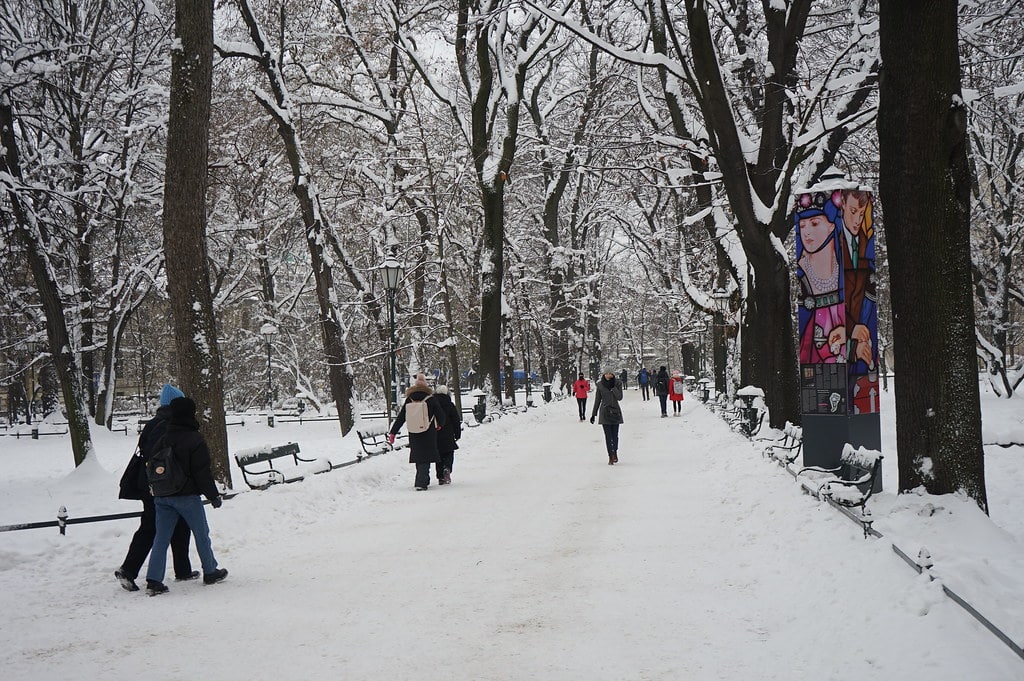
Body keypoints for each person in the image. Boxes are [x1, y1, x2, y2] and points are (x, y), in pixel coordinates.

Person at [114, 383, 195, 592]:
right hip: (159, 485)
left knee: (178, 523)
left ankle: (183, 569)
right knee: (151, 526)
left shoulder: (155, 423)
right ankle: (128, 570)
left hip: (150, 483)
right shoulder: (168, 425)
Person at [144, 396, 227, 596]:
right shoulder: (194, 438)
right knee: (201, 533)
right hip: (187, 497)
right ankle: (210, 570)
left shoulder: (164, 436)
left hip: (163, 496)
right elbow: (201, 472)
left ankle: (154, 579)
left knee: (161, 538)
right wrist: (213, 495)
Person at [795, 193, 846, 365]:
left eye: (815, 223)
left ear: (832, 226)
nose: (806, 232)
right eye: (802, 226)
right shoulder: (802, 277)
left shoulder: (847, 274)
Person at [388, 373, 447, 490]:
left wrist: (393, 432)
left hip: (413, 432)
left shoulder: (409, 400)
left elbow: (401, 417)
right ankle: (421, 482)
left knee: (419, 455)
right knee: (426, 456)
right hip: (428, 432)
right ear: (426, 387)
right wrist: (440, 424)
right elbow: (441, 415)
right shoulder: (431, 399)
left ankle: (422, 478)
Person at [590, 369, 624, 465]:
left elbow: (620, 397)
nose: (608, 375)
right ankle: (610, 456)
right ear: (604, 374)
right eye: (606, 373)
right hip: (605, 413)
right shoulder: (600, 385)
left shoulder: (617, 383)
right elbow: (597, 400)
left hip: (615, 412)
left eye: (610, 374)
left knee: (615, 436)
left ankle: (615, 451)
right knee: (608, 436)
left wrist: (613, 388)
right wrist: (593, 414)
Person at [433, 385, 461, 485]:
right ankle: (447, 467)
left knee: (438, 455)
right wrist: (458, 434)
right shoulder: (450, 405)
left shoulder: (432, 404)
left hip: (436, 433)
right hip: (448, 433)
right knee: (449, 453)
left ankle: (440, 477)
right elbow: (456, 420)